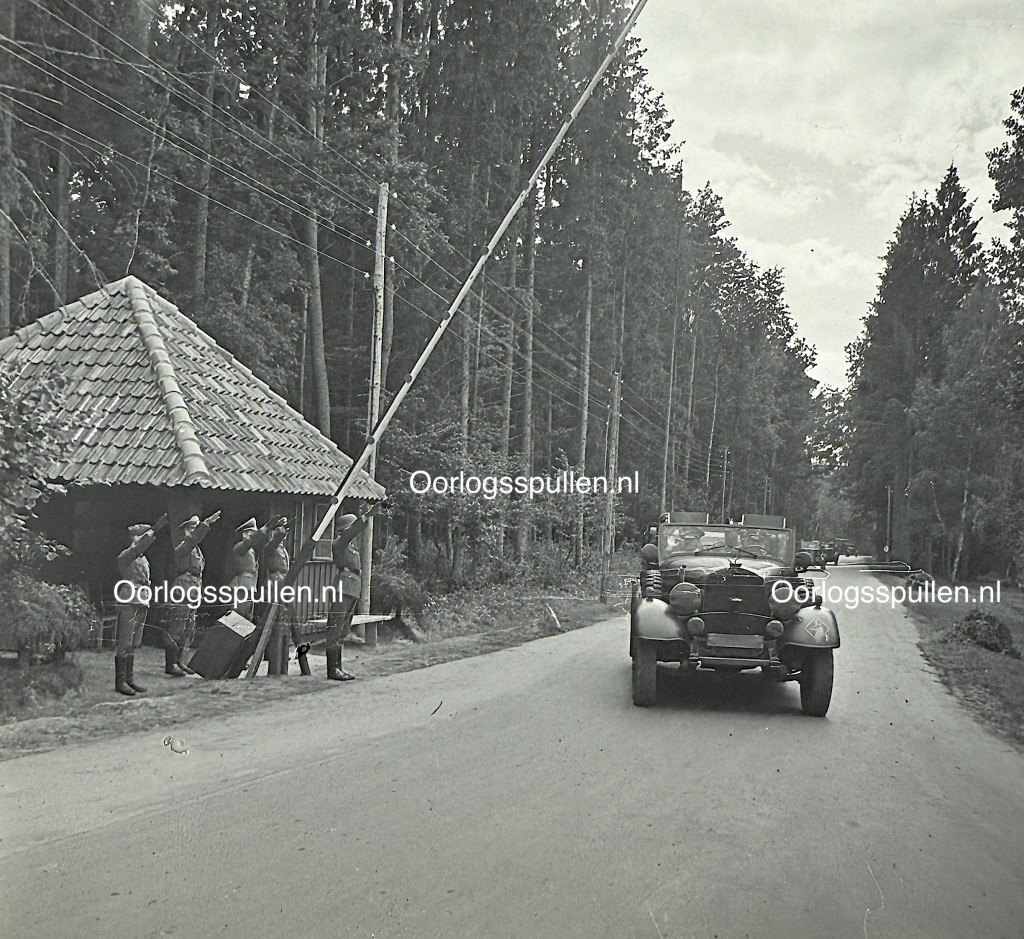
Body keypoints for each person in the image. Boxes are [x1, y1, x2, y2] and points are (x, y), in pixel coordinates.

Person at [114, 515, 169, 696]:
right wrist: (154, 530)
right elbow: (137, 549)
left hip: (142, 599)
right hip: (129, 599)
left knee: (134, 642)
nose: (146, 540)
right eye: (142, 537)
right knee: (125, 641)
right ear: (134, 538)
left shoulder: (143, 560)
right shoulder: (126, 556)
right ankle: (120, 682)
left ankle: (129, 679)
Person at [324, 503, 379, 681]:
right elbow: (349, 534)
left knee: (343, 630)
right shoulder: (340, 543)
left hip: (352, 586)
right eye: (351, 528)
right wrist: (367, 516)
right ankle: (332, 669)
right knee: (335, 629)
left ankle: (338, 667)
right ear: (345, 530)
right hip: (343, 585)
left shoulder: (351, 546)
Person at [163, 511, 220, 677]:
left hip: (194, 588)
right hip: (183, 588)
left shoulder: (196, 549)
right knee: (177, 626)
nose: (196, 532)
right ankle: (170, 664)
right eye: (193, 529)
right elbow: (191, 543)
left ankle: (180, 661)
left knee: (189, 628)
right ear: (187, 531)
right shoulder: (184, 546)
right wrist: (205, 525)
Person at [224, 516, 284, 619]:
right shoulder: (240, 547)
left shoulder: (250, 551)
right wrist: (266, 528)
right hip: (241, 586)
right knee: (238, 617)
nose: (255, 536)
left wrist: (278, 532)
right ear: (244, 534)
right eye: (252, 533)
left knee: (247, 617)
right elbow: (251, 540)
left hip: (249, 586)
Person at [263, 521, 294, 675]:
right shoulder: (270, 547)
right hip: (274, 584)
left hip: (284, 583)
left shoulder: (283, 549)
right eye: (279, 533)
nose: (282, 536)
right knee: (274, 622)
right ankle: (272, 660)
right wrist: (278, 534)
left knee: (284, 622)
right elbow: (272, 545)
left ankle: (281, 660)